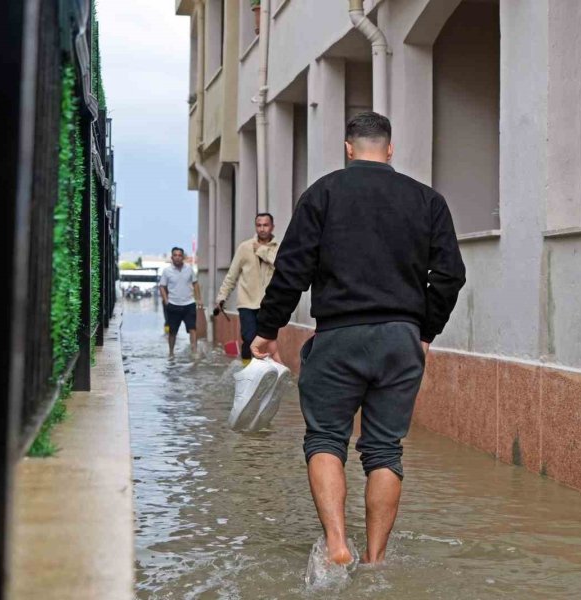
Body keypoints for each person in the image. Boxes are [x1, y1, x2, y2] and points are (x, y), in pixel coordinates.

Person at [250, 112, 466, 566]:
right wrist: (425, 332)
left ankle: (336, 544)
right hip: (400, 339)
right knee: (385, 449)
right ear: (390, 149)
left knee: (325, 439)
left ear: (348, 148)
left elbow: (292, 270)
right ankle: (374, 558)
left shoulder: (322, 194)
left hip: (338, 336)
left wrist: (268, 329)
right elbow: (449, 275)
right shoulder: (427, 200)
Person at [214, 213, 279, 364]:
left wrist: (262, 251)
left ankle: (263, 372)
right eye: (259, 225)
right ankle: (246, 370)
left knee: (266, 341)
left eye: (265, 225)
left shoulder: (278, 249)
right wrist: (222, 297)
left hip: (269, 303)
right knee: (249, 339)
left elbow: (281, 265)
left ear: (272, 227)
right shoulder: (244, 247)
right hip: (247, 303)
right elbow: (232, 275)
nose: (262, 228)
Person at [159, 247, 203, 357]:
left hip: (189, 304)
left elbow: (195, 284)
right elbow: (162, 286)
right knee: (172, 332)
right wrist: (166, 301)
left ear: (183, 257)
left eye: (179, 255)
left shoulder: (189, 269)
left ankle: (194, 352)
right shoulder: (167, 271)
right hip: (173, 305)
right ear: (172, 257)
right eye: (175, 255)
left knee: (192, 329)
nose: (177, 257)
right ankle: (171, 353)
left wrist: (198, 299)